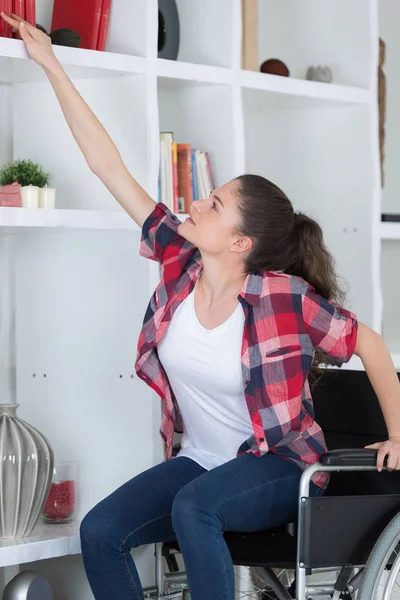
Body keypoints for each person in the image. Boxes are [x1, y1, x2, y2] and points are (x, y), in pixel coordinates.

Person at [3, 12, 400, 600]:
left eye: (213, 205)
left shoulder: (281, 299)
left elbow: (367, 342)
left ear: (241, 243)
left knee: (195, 508)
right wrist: (51, 64)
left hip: (280, 466)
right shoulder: (178, 264)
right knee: (102, 530)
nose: (196, 203)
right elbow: (107, 166)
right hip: (200, 462)